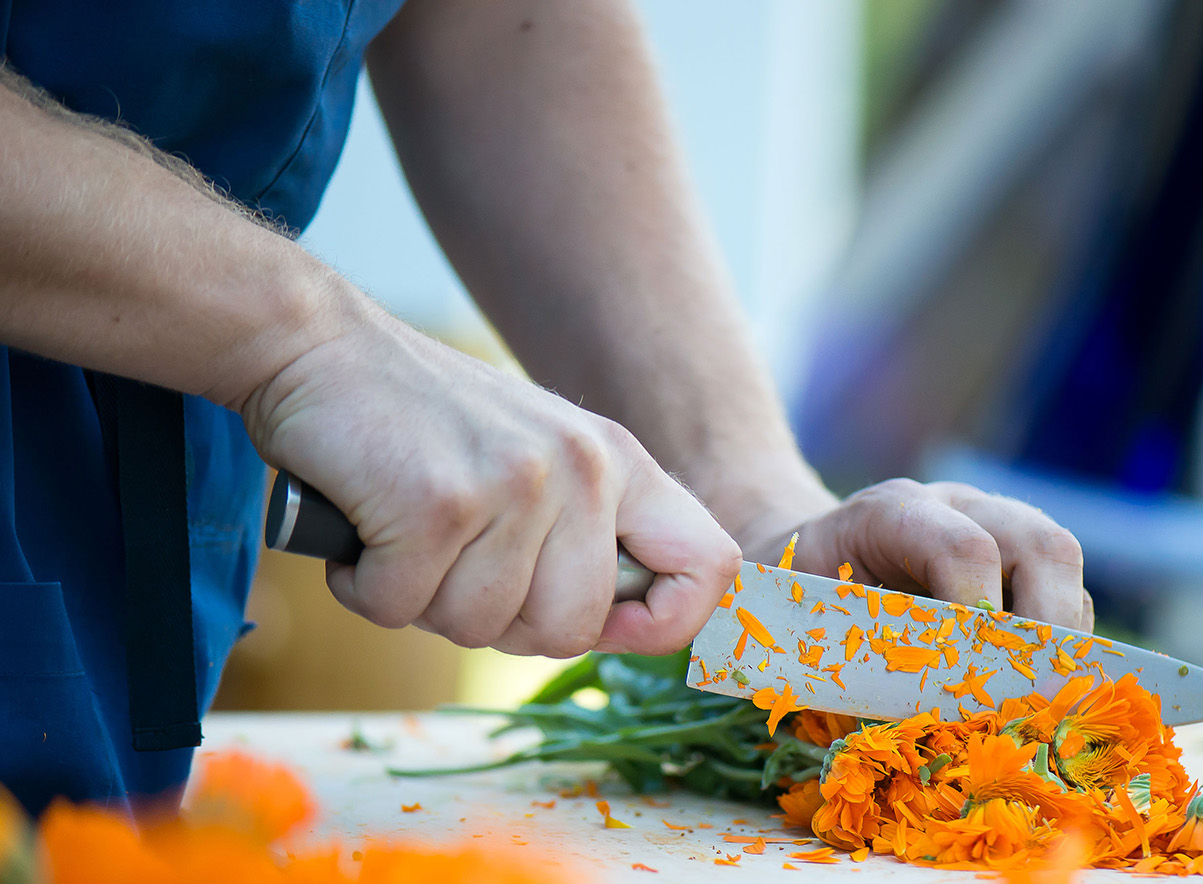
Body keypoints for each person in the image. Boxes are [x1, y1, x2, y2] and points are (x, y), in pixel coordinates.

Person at [0, 0, 1088, 814]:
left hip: (119, 543)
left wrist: (751, 512)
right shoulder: (288, 339)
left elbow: (495, 22)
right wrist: (303, 336)